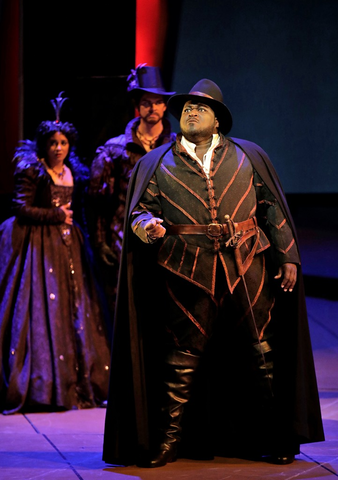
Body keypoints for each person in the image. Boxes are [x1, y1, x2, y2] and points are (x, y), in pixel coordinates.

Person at [102, 79, 324, 468]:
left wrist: (288, 257)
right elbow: (139, 210)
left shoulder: (248, 156)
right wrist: (147, 225)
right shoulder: (157, 163)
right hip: (186, 269)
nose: (190, 111)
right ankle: (167, 442)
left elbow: (272, 207)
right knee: (181, 360)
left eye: (200, 108)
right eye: (186, 107)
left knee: (260, 353)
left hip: (247, 266)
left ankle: (275, 438)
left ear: (218, 119)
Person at [0, 93, 111, 414]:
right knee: (39, 308)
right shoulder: (34, 171)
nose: (58, 147)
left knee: (74, 306)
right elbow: (20, 208)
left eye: (63, 142)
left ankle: (77, 382)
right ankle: (42, 384)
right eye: (53, 142)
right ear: (44, 145)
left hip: (69, 245)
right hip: (39, 245)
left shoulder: (73, 171)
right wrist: (56, 216)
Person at [88, 64, 176, 324]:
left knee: (164, 314)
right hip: (122, 241)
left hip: (167, 240)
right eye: (147, 102)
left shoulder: (177, 148)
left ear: (164, 106)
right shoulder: (115, 149)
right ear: (138, 105)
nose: (153, 108)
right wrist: (100, 241)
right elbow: (96, 202)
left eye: (158, 102)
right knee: (124, 313)